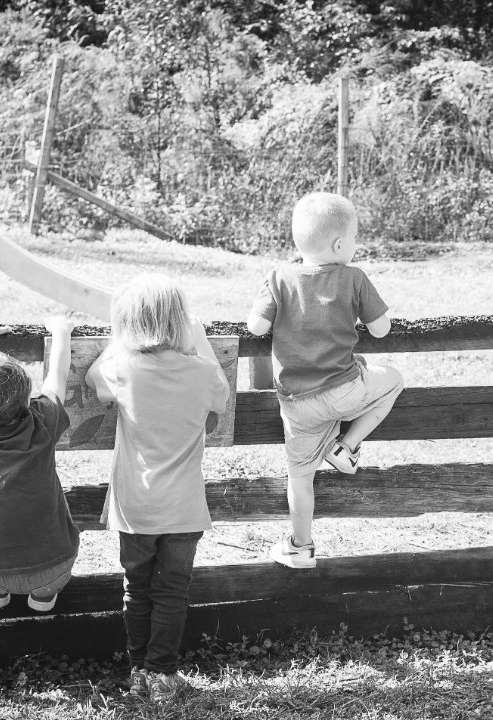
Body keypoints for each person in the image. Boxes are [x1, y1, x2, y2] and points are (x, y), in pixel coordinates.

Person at [84, 274, 229, 703]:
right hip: (184, 508)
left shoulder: (122, 367)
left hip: (134, 508)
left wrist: (118, 341)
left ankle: (139, 671)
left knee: (137, 588)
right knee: (172, 591)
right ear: (180, 321)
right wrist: (200, 341)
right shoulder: (201, 371)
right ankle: (163, 673)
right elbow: (220, 395)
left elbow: (94, 379)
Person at [247, 191, 403, 570]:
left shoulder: (278, 277)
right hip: (345, 390)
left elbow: (256, 326)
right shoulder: (353, 278)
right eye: (353, 239)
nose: (355, 246)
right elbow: (381, 330)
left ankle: (301, 547)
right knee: (394, 379)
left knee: (299, 477)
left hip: (296, 403)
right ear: (338, 244)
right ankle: (345, 446)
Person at [0, 315, 80, 613]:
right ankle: (43, 597)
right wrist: (61, 331)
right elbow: (57, 379)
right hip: (54, 569)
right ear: (26, 401)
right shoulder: (42, 423)